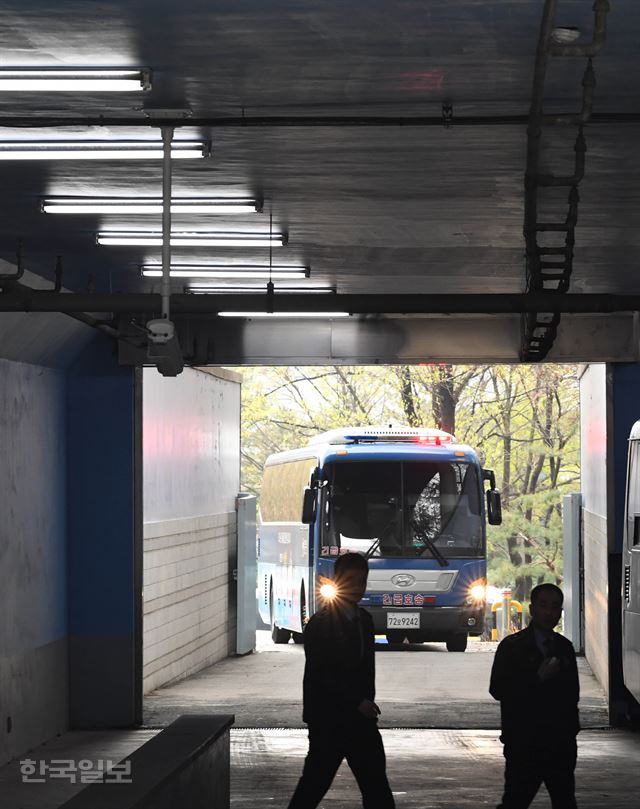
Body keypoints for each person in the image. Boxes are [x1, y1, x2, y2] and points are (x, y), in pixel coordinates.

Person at [287, 552, 395, 809]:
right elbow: (324, 674)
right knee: (313, 785)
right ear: (338, 581)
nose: (358, 587)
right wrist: (358, 701)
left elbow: (365, 671)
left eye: (362, 580)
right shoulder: (320, 625)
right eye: (351, 580)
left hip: (360, 722)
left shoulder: (365, 621)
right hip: (329, 723)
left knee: (377, 787)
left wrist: (365, 703)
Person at [489, 583, 580, 809]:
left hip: (559, 744)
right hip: (524, 743)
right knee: (515, 801)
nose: (549, 612)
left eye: (555, 607)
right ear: (532, 609)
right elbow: (498, 688)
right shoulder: (512, 647)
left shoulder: (564, 647)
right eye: (543, 606)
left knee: (565, 801)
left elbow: (572, 696)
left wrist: (570, 734)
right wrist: (536, 677)